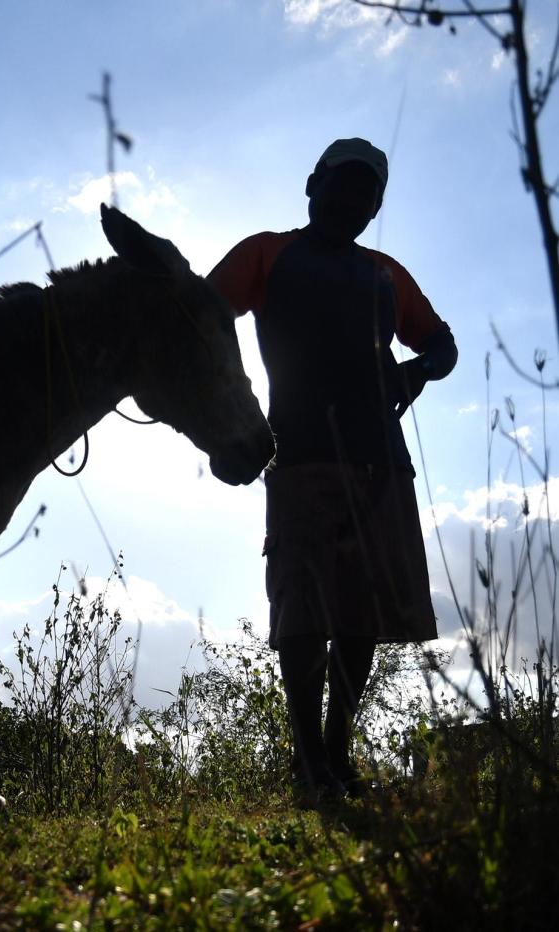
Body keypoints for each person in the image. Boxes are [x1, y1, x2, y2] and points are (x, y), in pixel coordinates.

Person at [208, 138, 457, 803]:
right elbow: (202, 314)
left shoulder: (385, 273)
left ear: (375, 205)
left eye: (367, 193)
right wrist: (230, 407)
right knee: (303, 606)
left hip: (381, 459)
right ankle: (309, 762)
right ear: (312, 185)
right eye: (342, 185)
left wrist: (418, 371)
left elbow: (441, 341)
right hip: (298, 454)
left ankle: (338, 755)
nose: (354, 200)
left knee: (362, 616)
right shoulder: (268, 253)